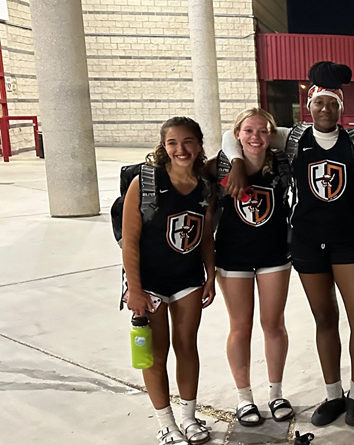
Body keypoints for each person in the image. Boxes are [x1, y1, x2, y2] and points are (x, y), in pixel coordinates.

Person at [221, 61, 354, 427]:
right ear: (309, 105)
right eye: (319, 103)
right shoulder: (294, 137)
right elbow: (234, 134)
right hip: (308, 242)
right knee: (325, 319)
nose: (325, 109)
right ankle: (334, 395)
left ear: (341, 107)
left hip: (349, 240)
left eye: (333, 104)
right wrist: (237, 162)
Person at [121, 117, 216, 445]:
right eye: (172, 143)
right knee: (156, 353)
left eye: (188, 141)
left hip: (188, 277)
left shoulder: (205, 185)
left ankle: (188, 418)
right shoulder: (145, 182)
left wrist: (210, 275)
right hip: (150, 283)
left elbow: (205, 237)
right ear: (163, 146)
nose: (181, 149)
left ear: (199, 144)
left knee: (187, 346)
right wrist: (134, 289)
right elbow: (130, 242)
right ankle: (166, 423)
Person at [214, 108, 293, 427]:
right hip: (233, 256)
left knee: (273, 324)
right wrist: (234, 161)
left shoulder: (282, 162)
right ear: (237, 134)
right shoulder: (220, 164)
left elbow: (293, 133)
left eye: (263, 131)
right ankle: (244, 397)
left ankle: (276, 393)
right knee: (240, 326)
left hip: (274, 254)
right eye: (248, 131)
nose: (256, 137)